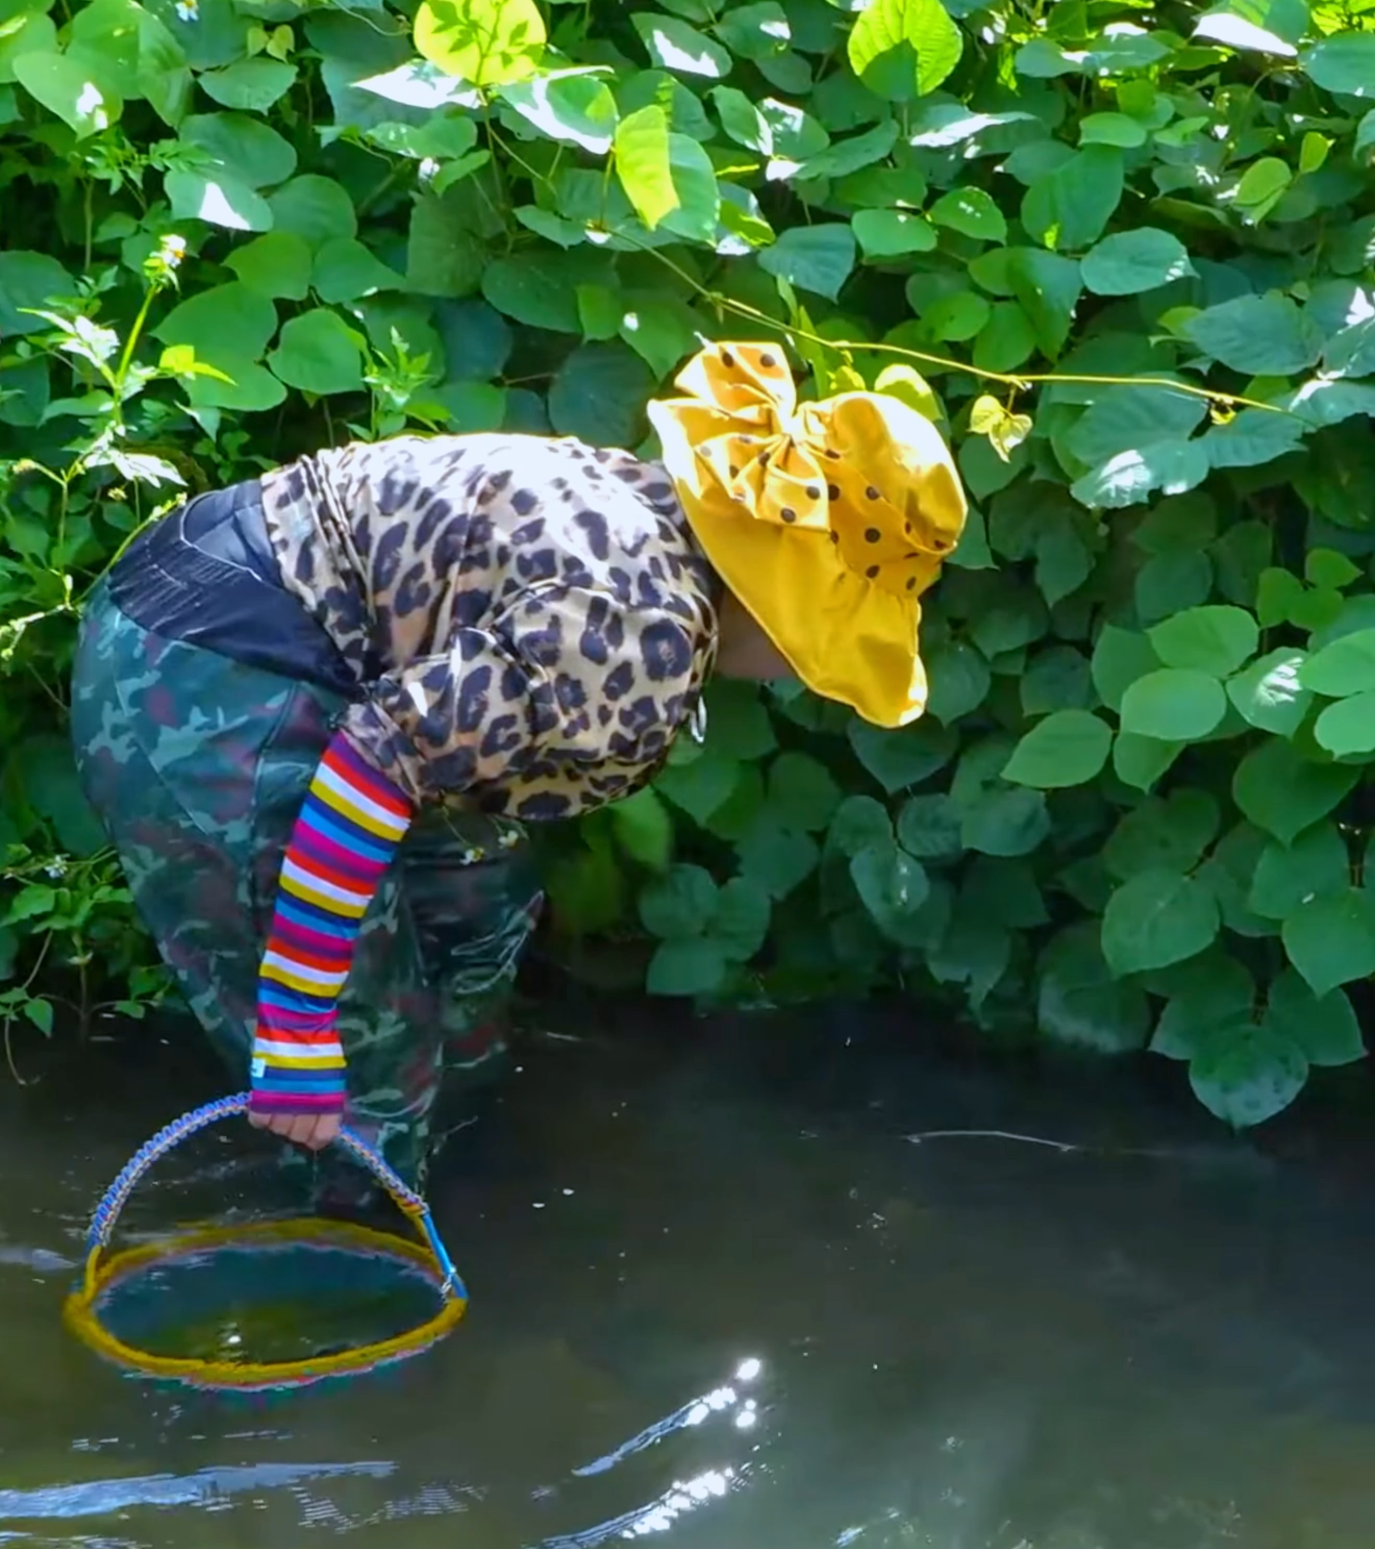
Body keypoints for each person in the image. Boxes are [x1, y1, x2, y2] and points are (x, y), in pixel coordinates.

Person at [70, 340, 965, 1197]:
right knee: (364, 1078)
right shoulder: (637, 636)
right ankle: (354, 1242)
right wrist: (300, 1020)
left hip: (258, 614)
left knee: (478, 921)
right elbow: (375, 762)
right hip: (202, 676)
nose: (804, 671)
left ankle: (461, 1165)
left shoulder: (652, 513)